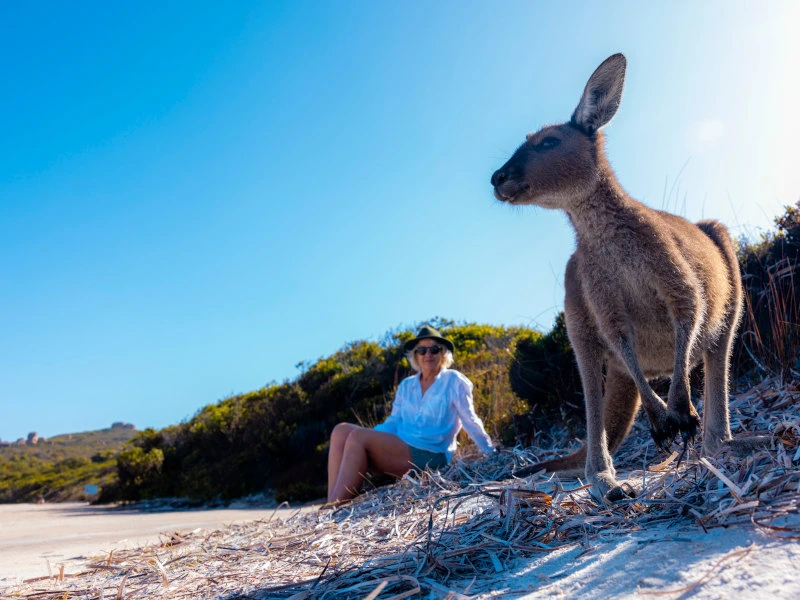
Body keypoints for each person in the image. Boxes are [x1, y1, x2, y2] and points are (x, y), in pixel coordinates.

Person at [327, 325, 495, 504]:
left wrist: (489, 451)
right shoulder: (407, 385)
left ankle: (336, 505)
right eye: (422, 350)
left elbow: (470, 418)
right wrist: (373, 436)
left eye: (434, 349)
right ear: (416, 356)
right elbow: (394, 422)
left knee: (358, 437)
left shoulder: (453, 380)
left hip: (432, 453)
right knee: (341, 430)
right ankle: (330, 503)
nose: (428, 354)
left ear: (443, 354)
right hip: (401, 445)